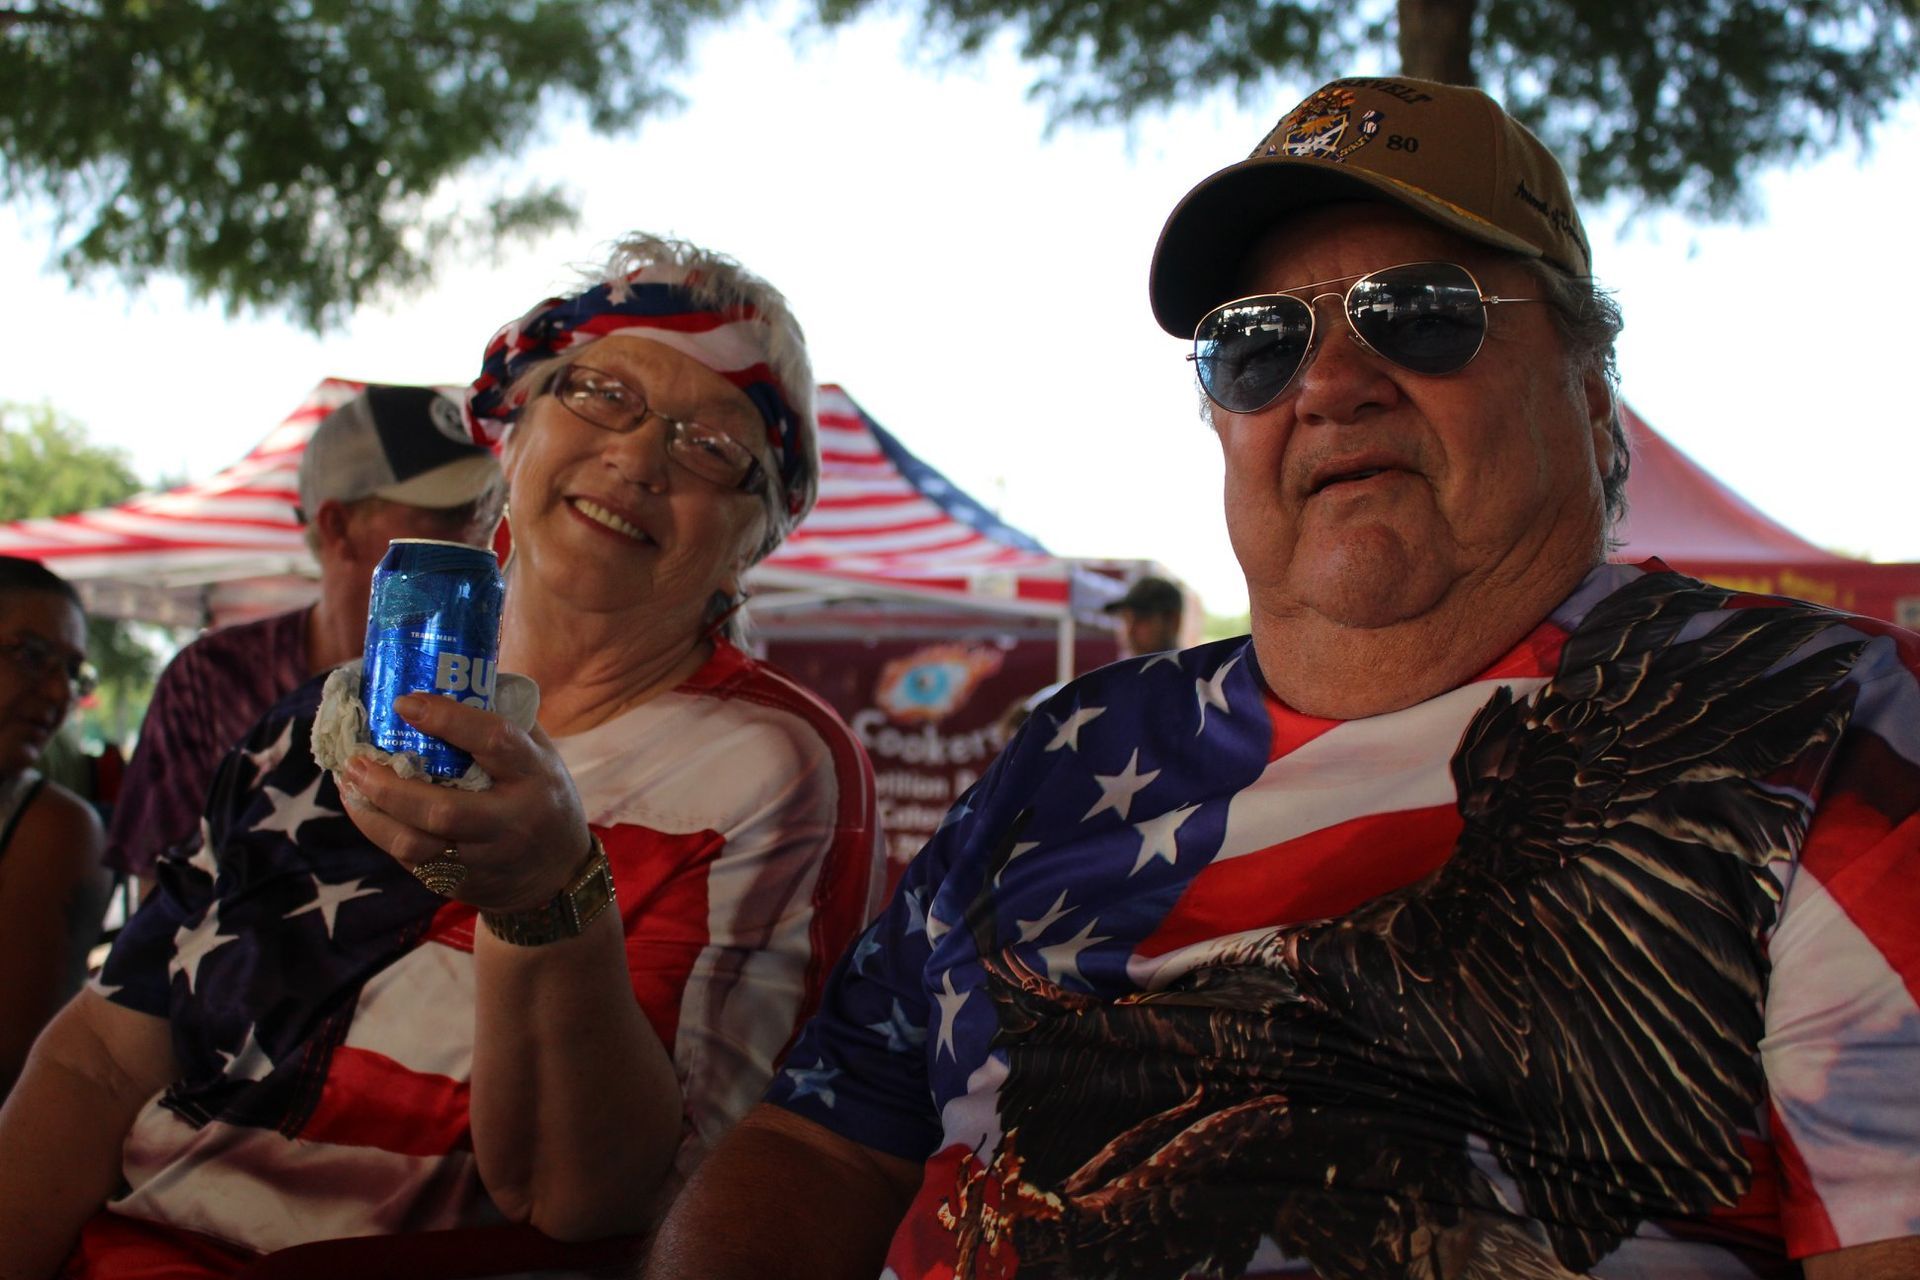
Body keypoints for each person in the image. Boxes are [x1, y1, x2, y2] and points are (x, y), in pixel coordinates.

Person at [650, 78, 1920, 1279]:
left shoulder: (1804, 715)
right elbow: (820, 1134)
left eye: (1420, 314)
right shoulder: (1074, 747)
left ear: (1593, 398)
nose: (1327, 384)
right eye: (1258, 346)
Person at [0, 234, 885, 1275]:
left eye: (710, 447)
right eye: (601, 394)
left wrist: (544, 896)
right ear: (511, 433)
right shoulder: (316, 722)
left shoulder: (770, 763)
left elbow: (592, 1199)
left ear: (759, 532)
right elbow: (102, 1057)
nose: (639, 456)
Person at [104, 383, 505, 893]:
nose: (478, 532)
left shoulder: (496, 683)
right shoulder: (212, 678)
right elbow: (161, 893)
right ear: (337, 527)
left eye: (484, 509)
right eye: (446, 515)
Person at [0, 557, 112, 1101]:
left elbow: (15, 1071)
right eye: (32, 656)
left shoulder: (52, 831)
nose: (58, 694)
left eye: (72, 672)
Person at [1101, 573, 1184, 656]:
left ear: (1173, 622)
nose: (1129, 631)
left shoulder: (1192, 668)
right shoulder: (1122, 668)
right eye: (1125, 619)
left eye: (1141, 619)